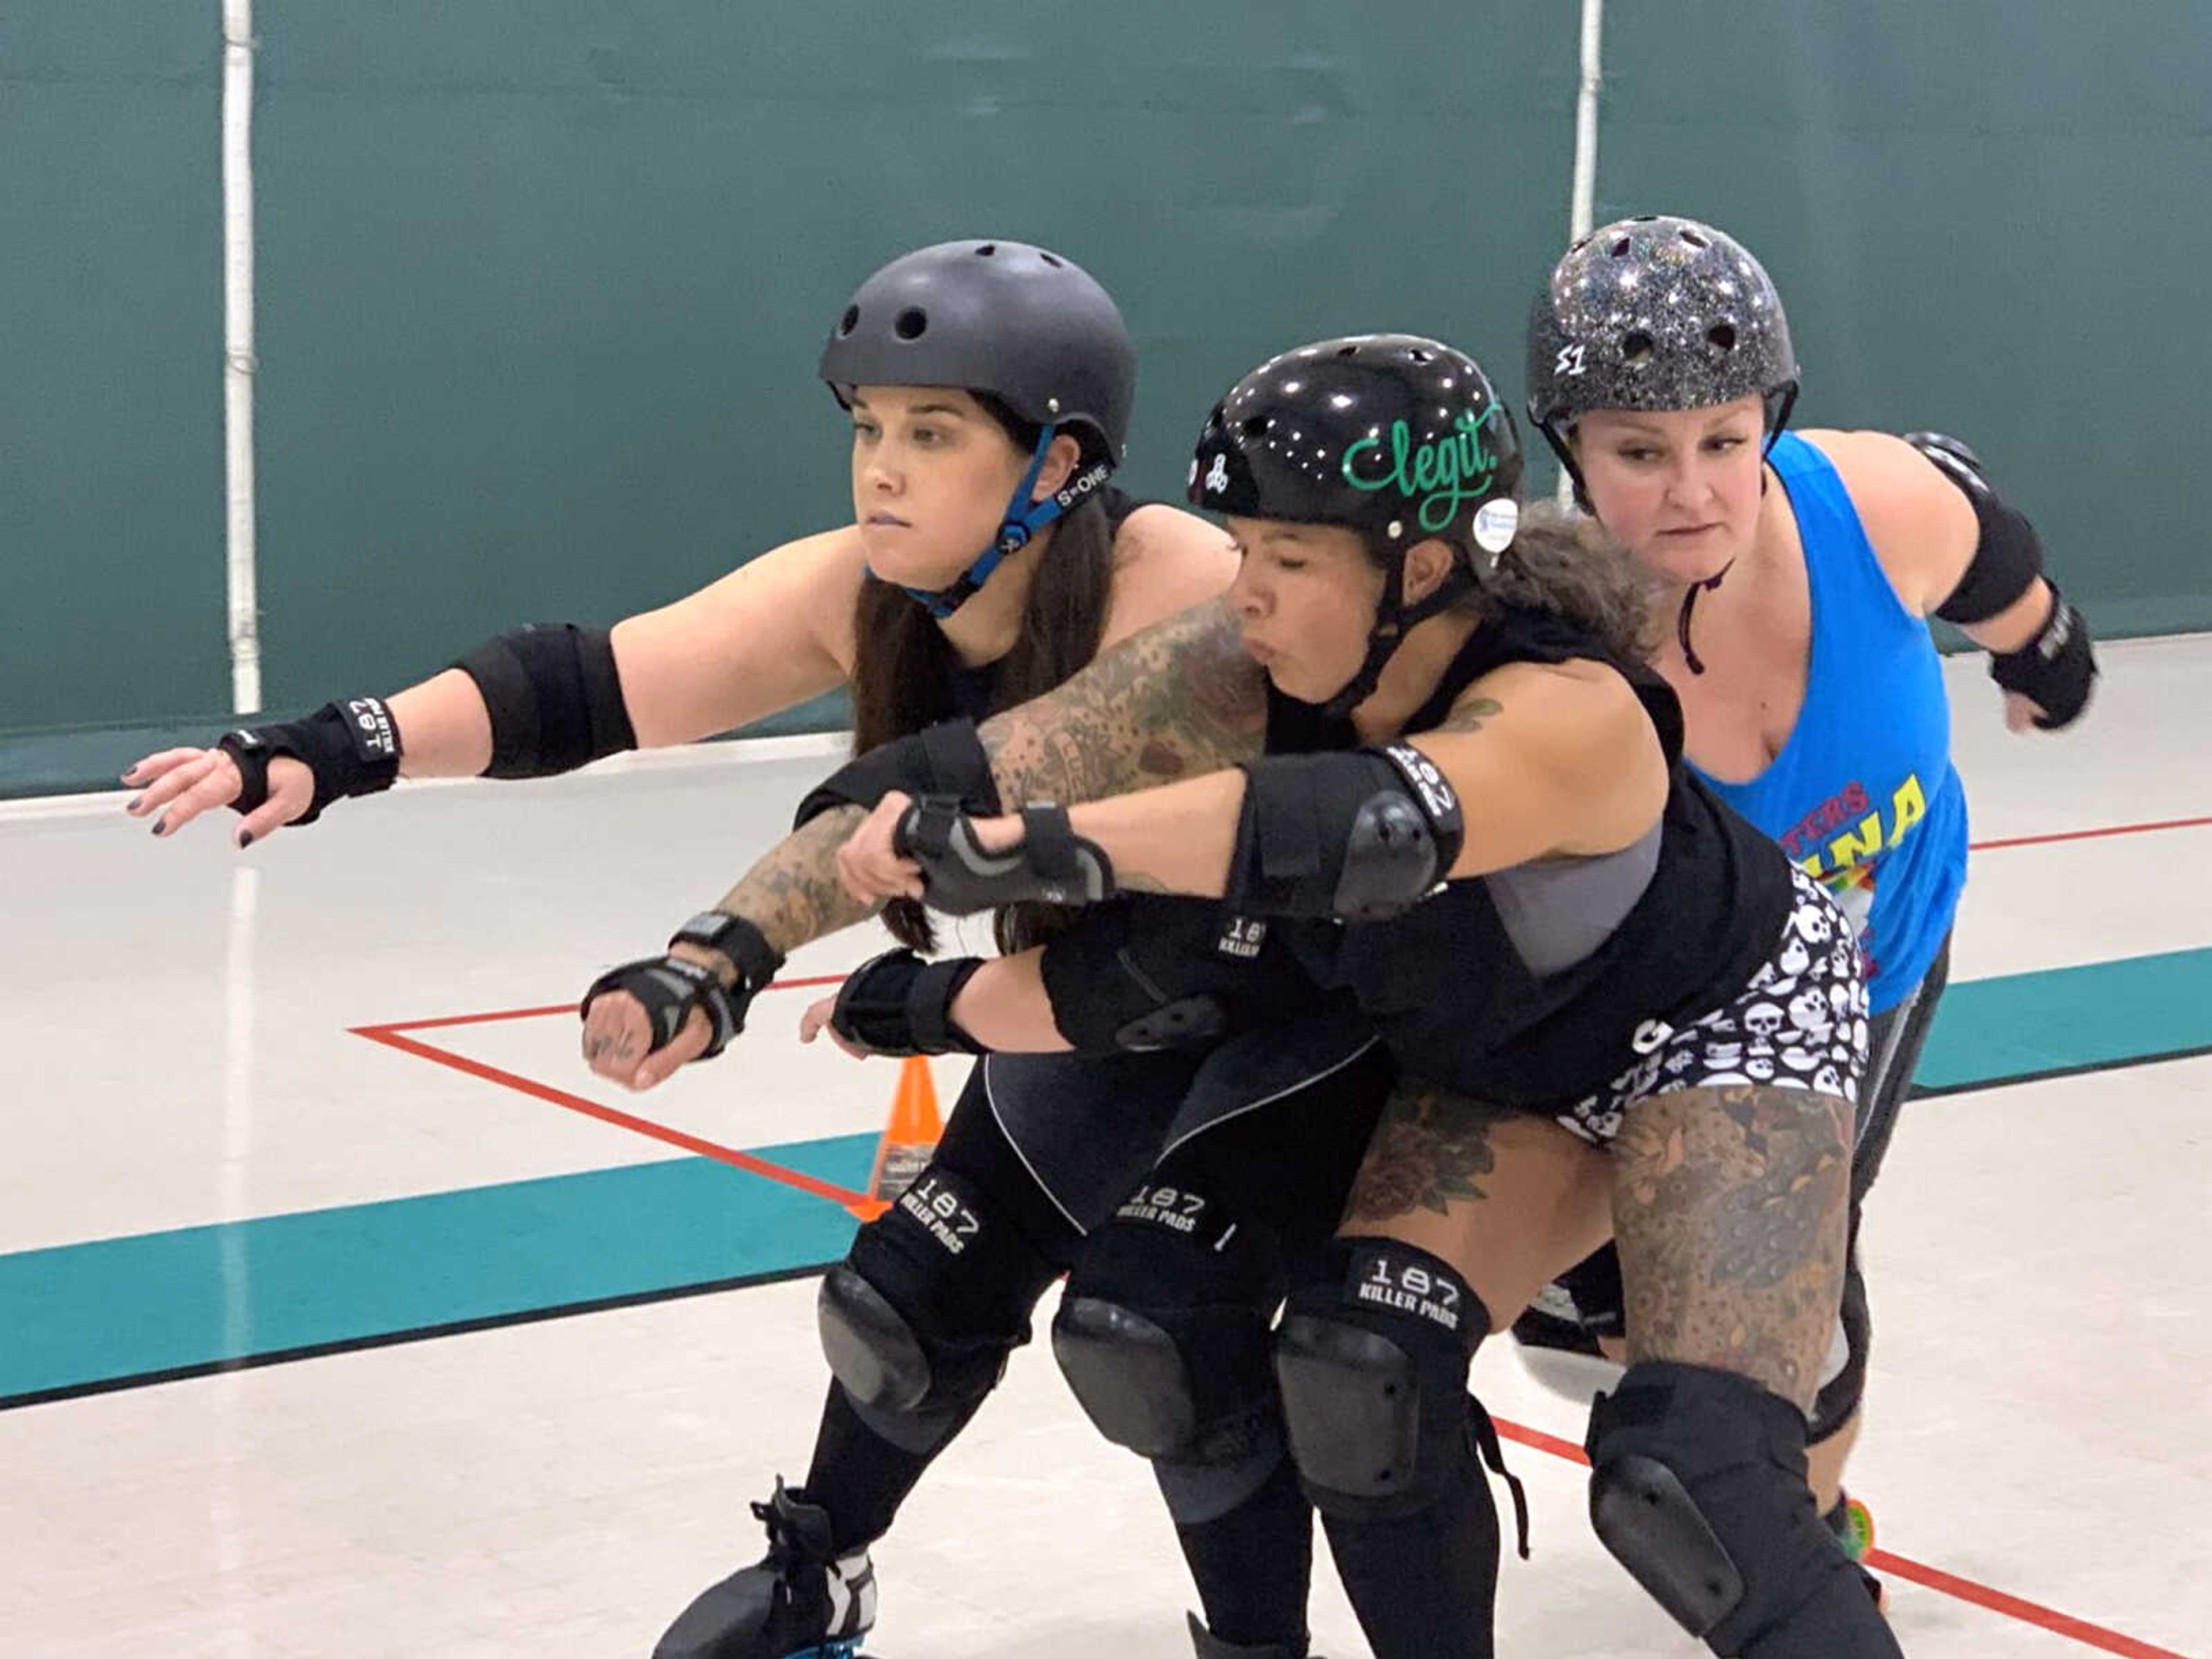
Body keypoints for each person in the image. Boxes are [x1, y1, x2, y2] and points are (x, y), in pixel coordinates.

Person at [584, 335, 1902, 1657]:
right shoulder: (1255, 660)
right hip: (1499, 1067)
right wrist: (721, 951)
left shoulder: (1570, 706)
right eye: (1241, 546)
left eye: (1287, 560)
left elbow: (1354, 826)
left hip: (1720, 1040)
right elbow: (970, 767)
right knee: (1357, 1370)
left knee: (1693, 1481)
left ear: (1421, 571)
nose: (1243, 592)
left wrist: (1054, 845)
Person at [122, 241, 1342, 1659]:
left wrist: (737, 950)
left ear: (1060, 464)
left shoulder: (1179, 585)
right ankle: (821, 1576)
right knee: (901, 1306)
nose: (880, 467)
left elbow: (954, 791)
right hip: (1097, 1009)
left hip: (1290, 1015)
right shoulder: (881, 584)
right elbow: (593, 684)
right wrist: (343, 747)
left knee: (1161, 1340)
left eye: (932, 433)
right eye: (868, 427)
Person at [1514, 213, 2100, 1578]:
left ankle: (1810, 1539)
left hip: (1877, 968)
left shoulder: (1878, 503)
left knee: (1804, 1311)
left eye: (1726, 440)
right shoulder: (1546, 645)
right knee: (1638, 1304)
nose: (1692, 492)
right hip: (1673, 1010)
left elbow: (2007, 571)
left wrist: (2043, 666)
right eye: (1639, 453)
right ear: (1570, 451)